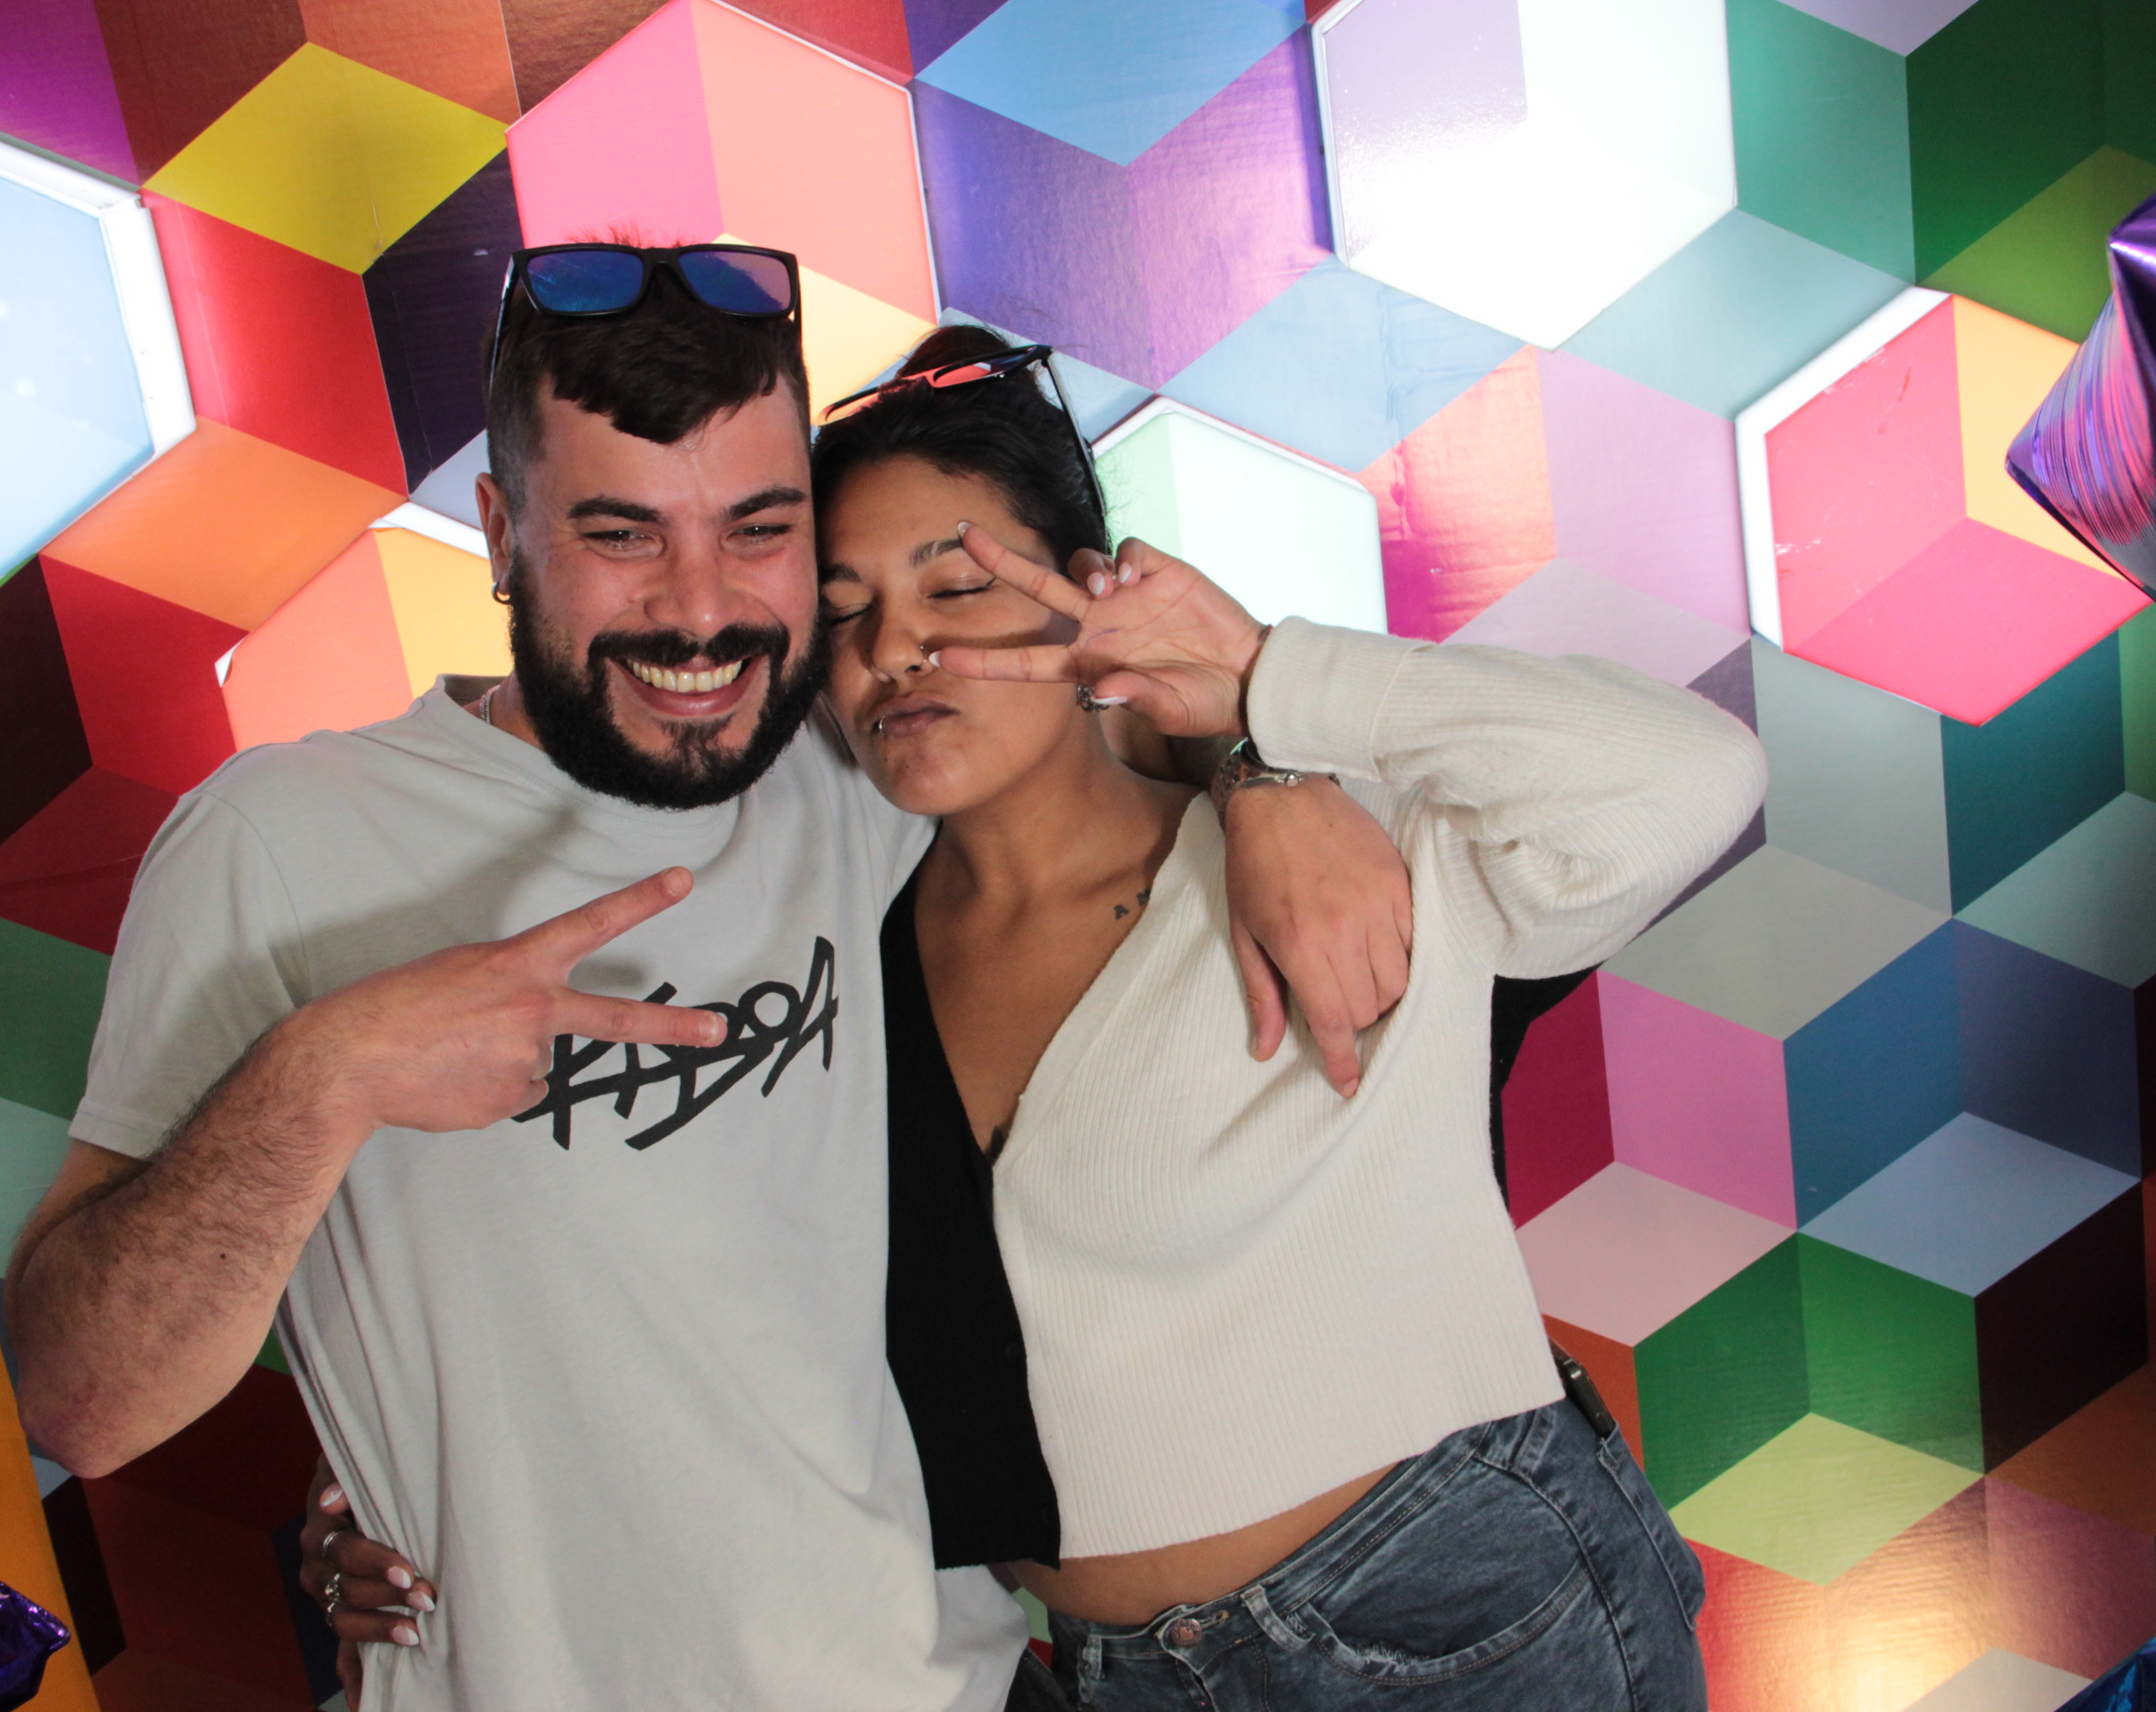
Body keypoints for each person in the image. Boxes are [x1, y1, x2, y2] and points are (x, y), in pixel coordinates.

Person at [0, 249, 1418, 1712]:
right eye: (621, 534)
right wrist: (326, 1076)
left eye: (757, 531)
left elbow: (1129, 708)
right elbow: (81, 1403)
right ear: (499, 532)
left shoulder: (858, 752)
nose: (699, 611)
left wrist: (1267, 769)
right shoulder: (278, 842)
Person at [311, 327, 1765, 1709]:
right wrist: (405, 1480)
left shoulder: (1340, 855)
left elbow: (1692, 779)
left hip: (1458, 1604)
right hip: (1115, 1676)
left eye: (956, 588)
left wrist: (1268, 697)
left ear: (1089, 594)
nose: (900, 648)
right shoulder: (827, 950)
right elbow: (647, 1272)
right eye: (846, 613)